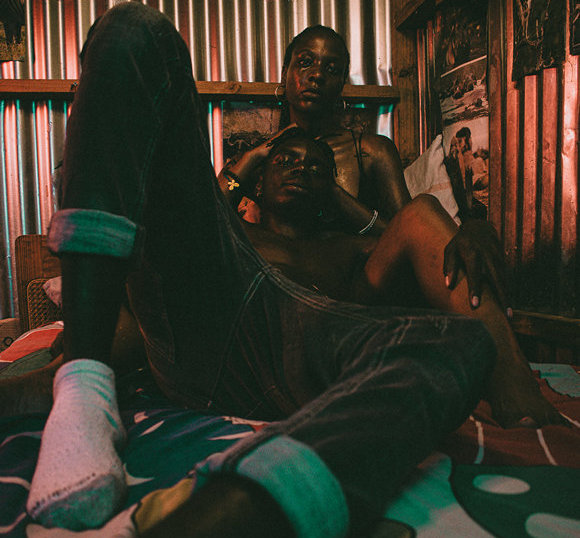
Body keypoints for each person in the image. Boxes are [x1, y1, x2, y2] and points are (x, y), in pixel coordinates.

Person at [0, 4, 559, 537]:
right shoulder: (231, 230)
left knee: (463, 344)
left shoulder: (357, 213)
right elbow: (163, 270)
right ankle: (81, 384)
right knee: (134, 29)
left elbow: (410, 234)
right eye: (285, 162)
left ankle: (242, 509)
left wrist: (471, 229)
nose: (316, 76)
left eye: (314, 167)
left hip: (317, 343)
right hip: (216, 324)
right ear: (259, 184)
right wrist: (84, 351)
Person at [218, 24, 508, 313]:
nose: (317, 75)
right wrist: (252, 159)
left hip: (359, 284)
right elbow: (214, 214)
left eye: (332, 69)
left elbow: (407, 233)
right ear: (285, 73)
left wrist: (334, 195)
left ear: (342, 83)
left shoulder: (370, 151)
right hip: (283, 285)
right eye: (305, 63)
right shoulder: (263, 159)